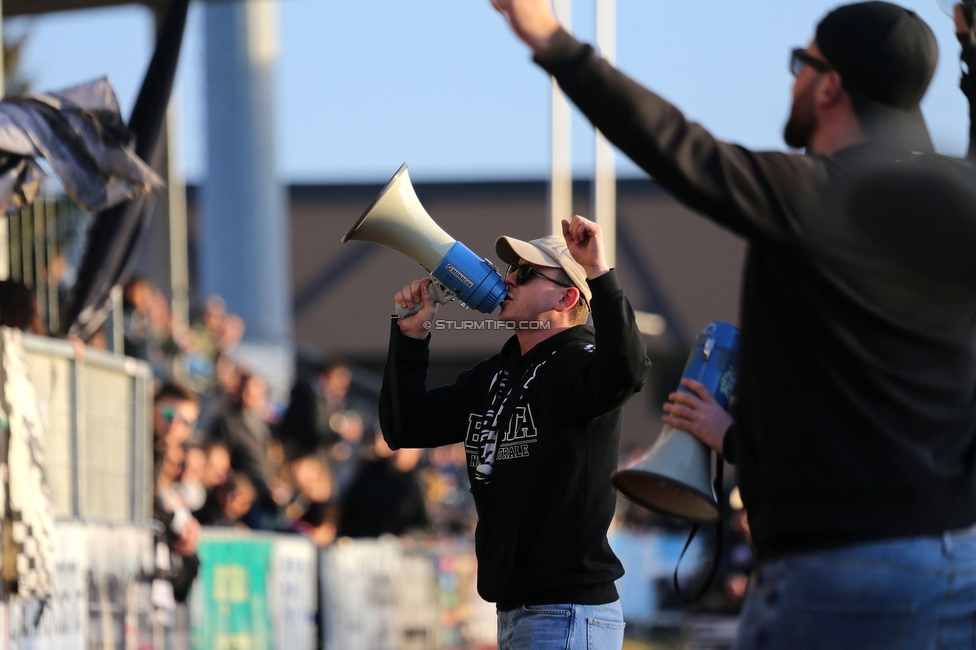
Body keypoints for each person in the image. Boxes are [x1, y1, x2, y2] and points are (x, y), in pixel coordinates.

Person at [494, 1, 976, 647]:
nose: (793, 78)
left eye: (801, 63)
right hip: (958, 556)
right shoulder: (962, 193)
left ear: (830, 84)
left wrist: (550, 38)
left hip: (842, 564)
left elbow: (678, 147)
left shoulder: (813, 192)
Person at [380, 215, 649, 649]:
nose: (507, 279)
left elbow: (628, 371)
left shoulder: (578, 361)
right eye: (511, 270)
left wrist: (599, 274)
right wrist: (411, 339)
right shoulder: (493, 374)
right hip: (519, 612)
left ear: (566, 297)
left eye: (524, 274)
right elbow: (404, 427)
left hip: (566, 610)